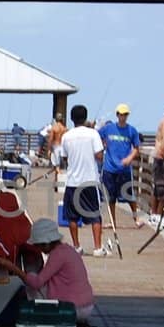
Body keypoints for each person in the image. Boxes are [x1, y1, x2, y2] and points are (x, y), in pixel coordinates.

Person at [0, 217, 96, 323]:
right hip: (86, 305)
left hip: (73, 309)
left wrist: (14, 268)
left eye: (39, 246)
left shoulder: (57, 255)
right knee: (34, 280)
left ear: (46, 243)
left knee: (31, 286)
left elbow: (36, 283)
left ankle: (38, 316)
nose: (39, 250)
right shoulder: (68, 250)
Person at [55, 104, 106, 256]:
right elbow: (99, 156)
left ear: (71, 119)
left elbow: (64, 157)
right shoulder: (93, 134)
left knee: (72, 216)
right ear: (85, 117)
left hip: (72, 181)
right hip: (90, 180)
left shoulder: (67, 136)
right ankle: (97, 247)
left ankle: (76, 246)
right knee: (95, 214)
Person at [98, 103, 144, 228]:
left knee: (129, 195)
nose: (123, 117)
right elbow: (97, 136)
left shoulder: (132, 130)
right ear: (117, 115)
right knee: (110, 197)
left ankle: (136, 218)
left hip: (124, 169)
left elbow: (136, 147)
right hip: (109, 168)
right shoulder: (108, 128)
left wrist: (130, 158)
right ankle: (112, 222)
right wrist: (103, 144)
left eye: (125, 114)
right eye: (121, 114)